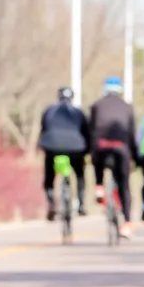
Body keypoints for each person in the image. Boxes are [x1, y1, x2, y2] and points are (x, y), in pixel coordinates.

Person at [89, 76, 138, 237]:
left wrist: (90, 150)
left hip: (101, 146)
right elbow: (132, 135)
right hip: (121, 148)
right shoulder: (127, 107)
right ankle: (127, 223)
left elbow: (91, 131)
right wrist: (135, 157)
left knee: (97, 159)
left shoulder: (96, 105)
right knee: (124, 185)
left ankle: (99, 188)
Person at [37, 87, 90, 219]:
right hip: (75, 148)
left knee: (49, 176)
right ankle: (81, 204)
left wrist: (42, 146)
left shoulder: (49, 110)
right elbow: (87, 134)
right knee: (79, 175)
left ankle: (51, 203)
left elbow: (44, 129)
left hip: (52, 147)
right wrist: (87, 151)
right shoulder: (78, 112)